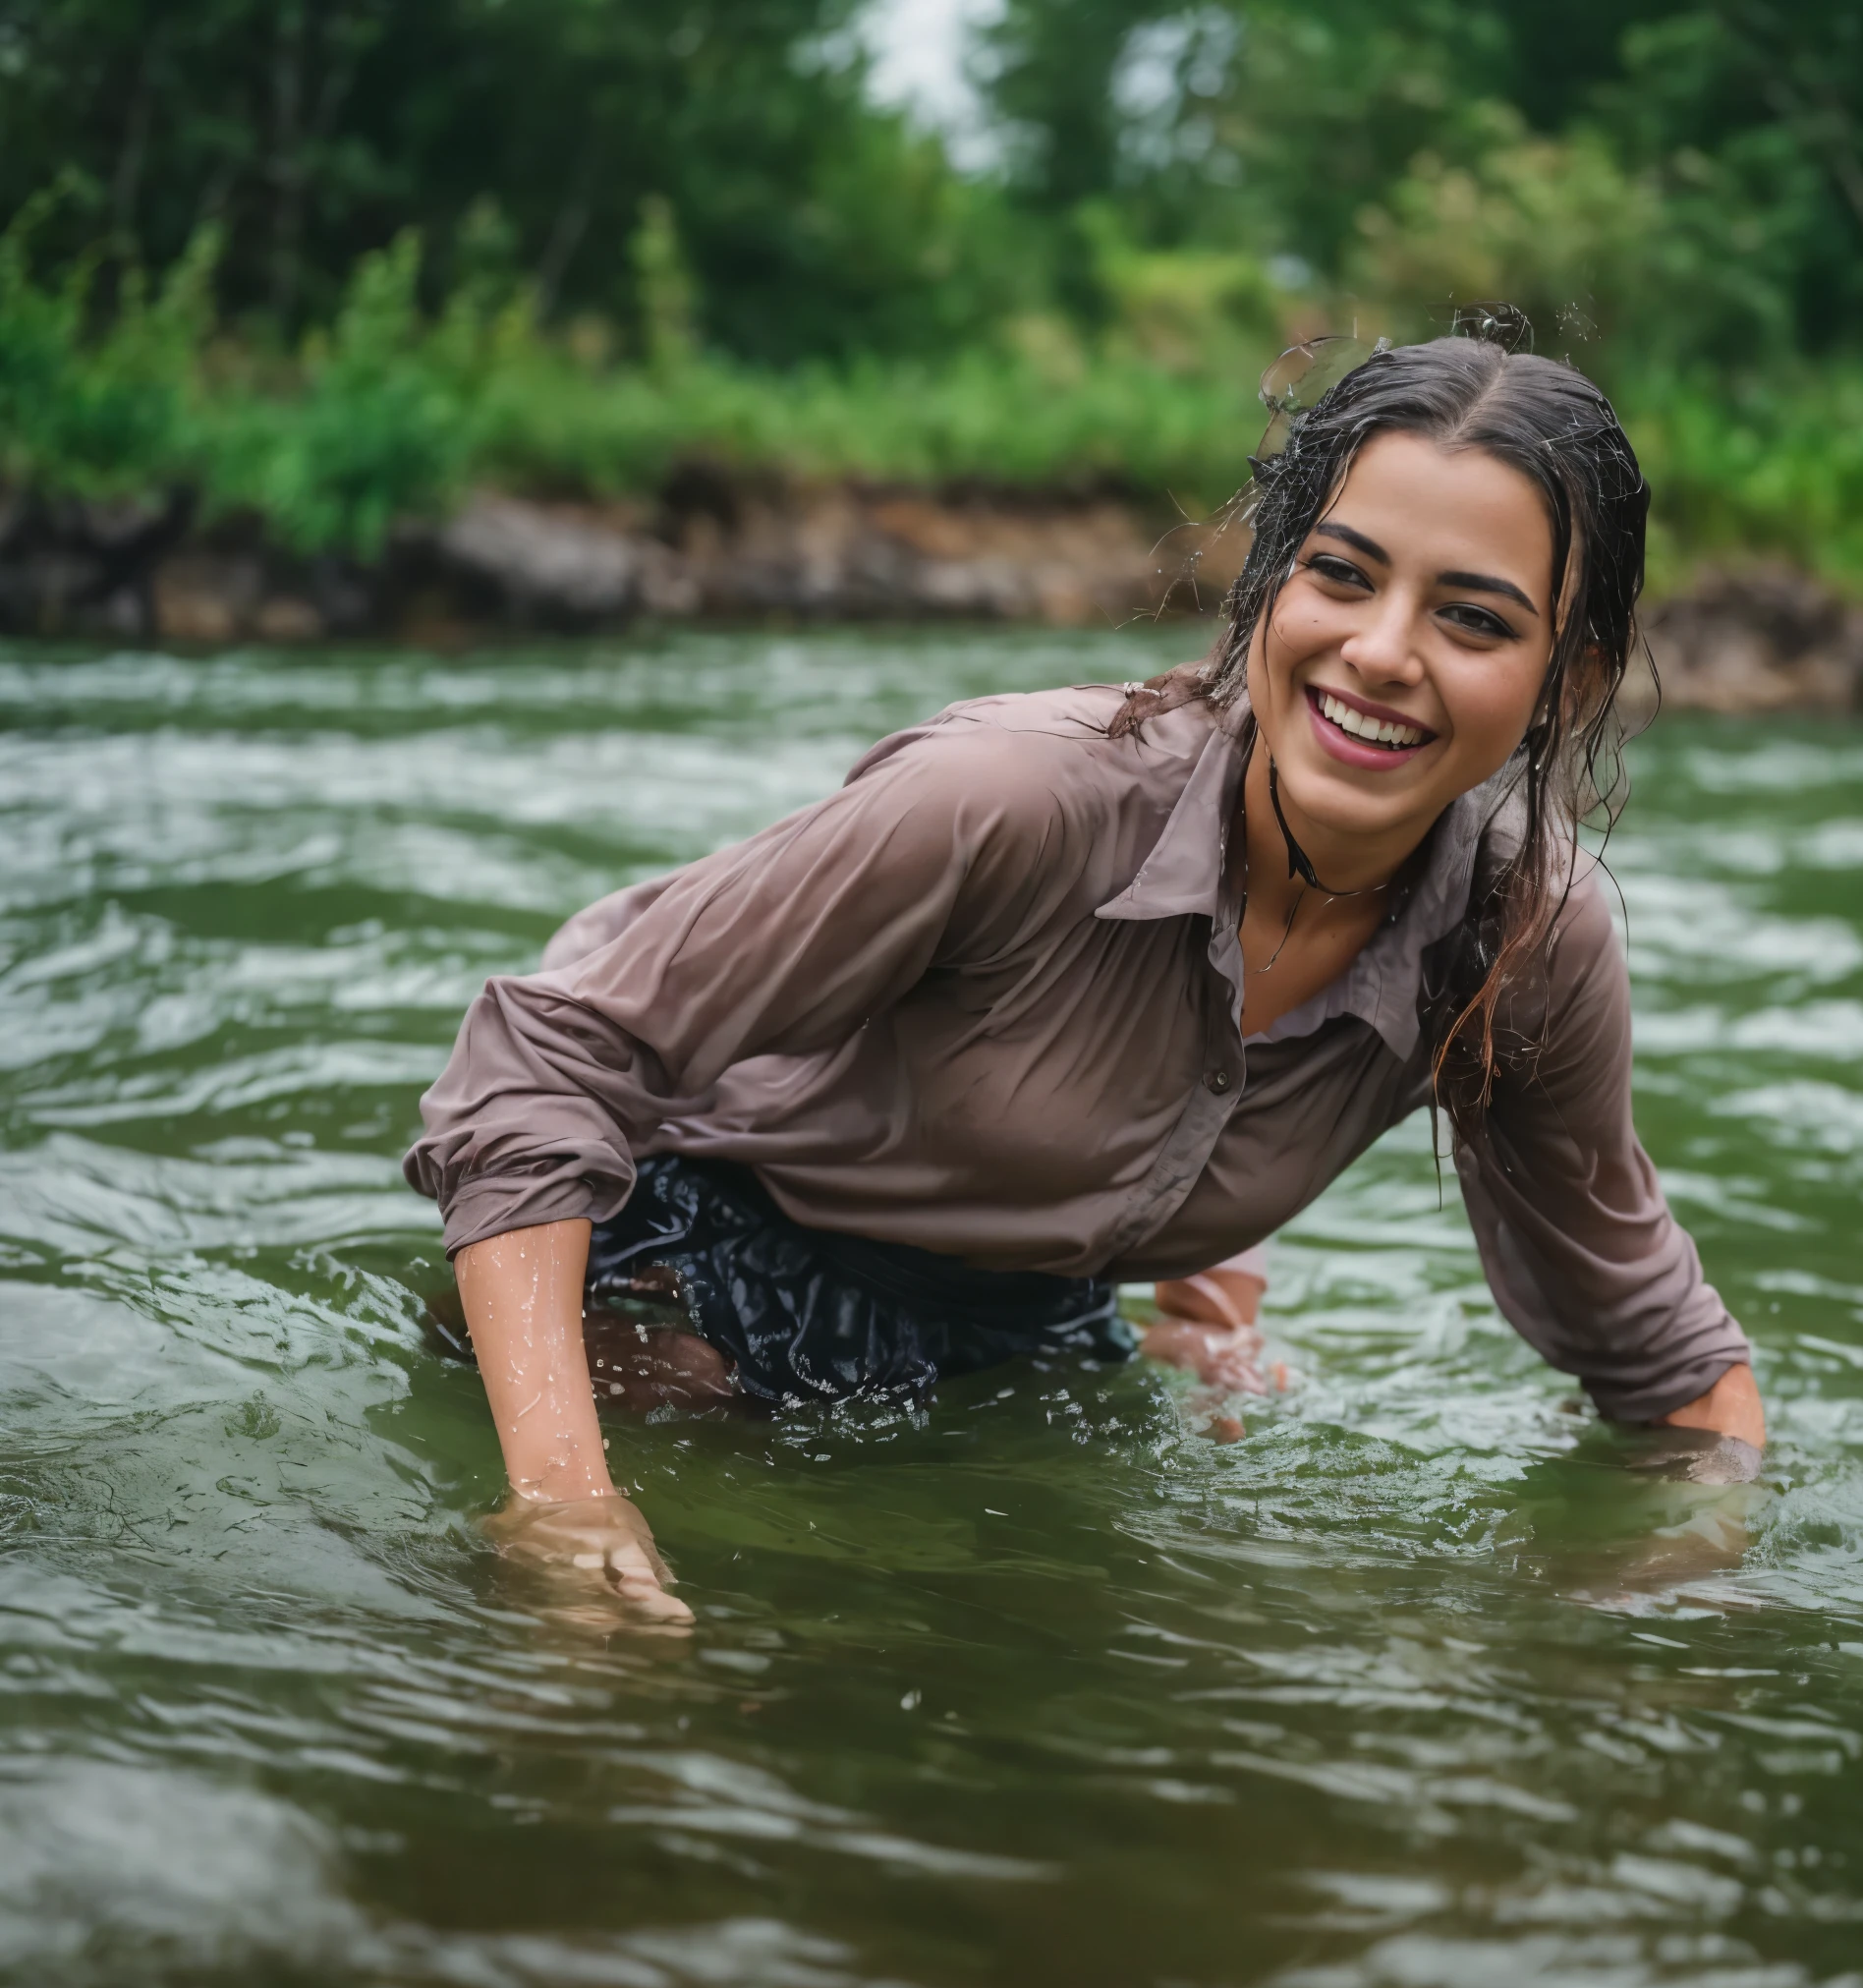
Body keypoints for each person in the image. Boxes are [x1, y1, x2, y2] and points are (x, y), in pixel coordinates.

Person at [407, 324, 1766, 1624]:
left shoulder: (1526, 939)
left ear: (1568, 685)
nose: (1382, 653)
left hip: (1017, 1336)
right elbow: (545, 1061)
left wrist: (1691, 1607)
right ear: (1269, 584)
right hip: (667, 1283)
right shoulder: (1007, 802)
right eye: (1341, 575)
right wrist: (563, 1507)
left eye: (1471, 618)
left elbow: (1656, 1348)